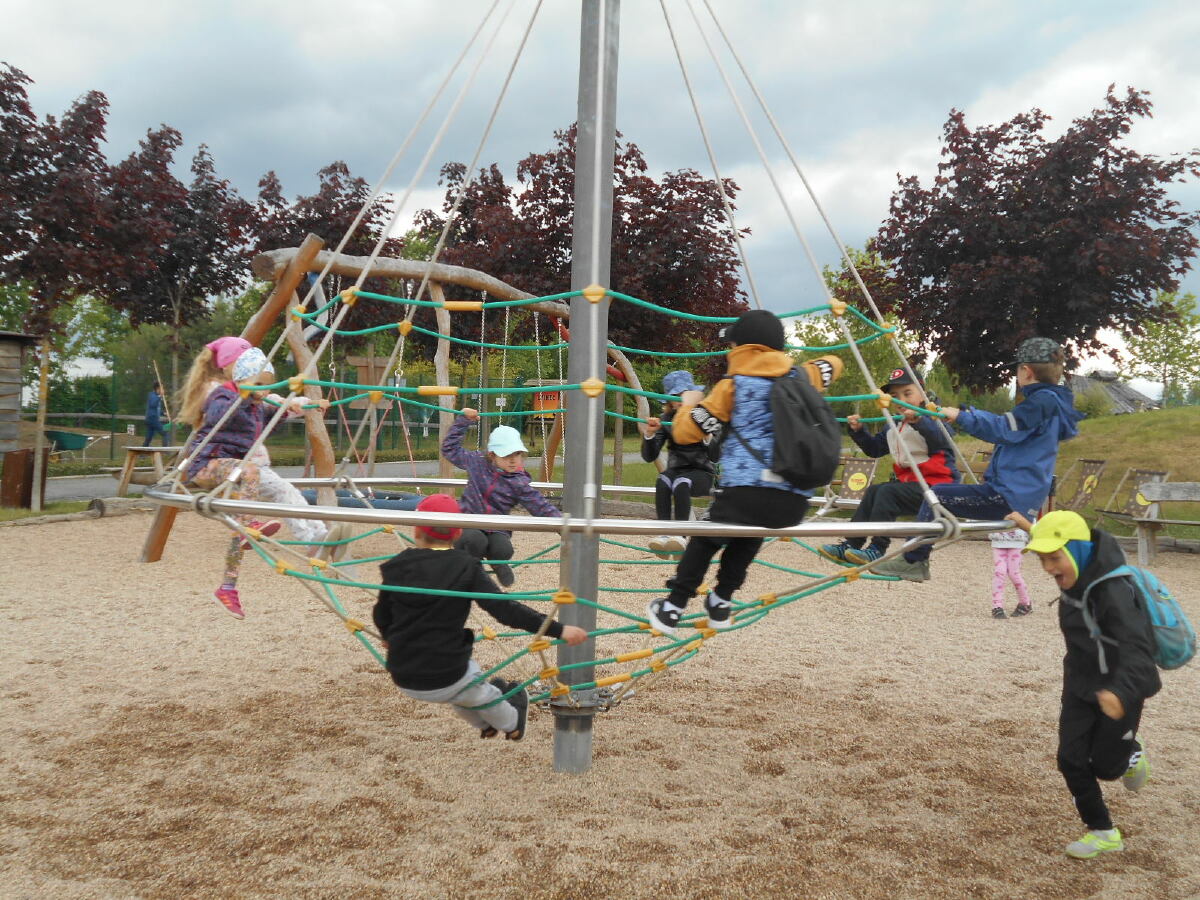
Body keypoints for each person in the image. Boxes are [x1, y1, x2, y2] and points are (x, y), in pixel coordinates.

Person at [646, 309, 843, 635]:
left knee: (705, 540)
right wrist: (806, 367)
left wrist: (689, 403)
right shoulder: (801, 376)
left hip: (745, 490)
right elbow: (833, 363)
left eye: (732, 345)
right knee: (749, 536)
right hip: (793, 500)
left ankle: (672, 608)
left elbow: (685, 433)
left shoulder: (733, 386)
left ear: (743, 347)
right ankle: (721, 602)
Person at [374, 493, 586, 741]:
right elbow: (506, 611)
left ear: (416, 530)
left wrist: (386, 636)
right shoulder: (465, 566)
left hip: (402, 675)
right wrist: (559, 630)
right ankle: (513, 724)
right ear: (458, 533)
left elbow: (381, 612)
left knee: (463, 694)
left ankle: (485, 725)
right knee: (477, 691)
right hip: (448, 675)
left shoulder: (397, 565)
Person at [874, 337, 1083, 582]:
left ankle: (913, 561)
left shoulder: (1041, 402)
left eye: (1017, 370)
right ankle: (914, 558)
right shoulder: (1051, 403)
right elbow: (1010, 431)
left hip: (1008, 495)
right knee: (940, 494)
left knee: (937, 496)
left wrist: (961, 416)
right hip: (1019, 494)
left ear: (1026, 371)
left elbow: (1001, 428)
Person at [1016, 509, 1159, 859]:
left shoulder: (1112, 591)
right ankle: (1103, 831)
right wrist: (1029, 527)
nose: (1048, 568)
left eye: (1054, 558)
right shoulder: (1075, 570)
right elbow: (1058, 538)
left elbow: (1139, 652)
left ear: (1077, 551)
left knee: (1107, 769)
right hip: (1080, 684)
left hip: (1120, 690)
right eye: (1042, 559)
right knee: (1070, 759)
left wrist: (1120, 692)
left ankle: (1131, 751)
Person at [180, 345, 283, 619]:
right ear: (241, 381)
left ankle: (228, 587)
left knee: (240, 521)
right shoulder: (224, 395)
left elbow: (269, 423)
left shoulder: (256, 407)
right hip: (206, 464)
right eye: (258, 385)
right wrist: (244, 396)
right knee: (251, 472)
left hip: (230, 469)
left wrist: (292, 408)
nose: (263, 391)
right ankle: (248, 526)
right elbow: (218, 415)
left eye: (266, 386)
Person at [818, 368, 958, 567]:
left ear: (922, 395)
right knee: (874, 490)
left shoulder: (933, 418)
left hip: (939, 488)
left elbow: (942, 439)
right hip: (912, 486)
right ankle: (851, 543)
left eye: (907, 393)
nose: (901, 400)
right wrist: (858, 431)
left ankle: (877, 548)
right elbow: (874, 449)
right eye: (895, 396)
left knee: (887, 492)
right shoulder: (893, 425)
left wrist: (918, 421)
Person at [441, 409, 561, 588]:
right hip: (469, 521)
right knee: (475, 541)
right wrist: (463, 420)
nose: (513, 460)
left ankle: (498, 564)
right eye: (506, 456)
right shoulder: (476, 462)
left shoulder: (518, 481)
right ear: (492, 455)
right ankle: (473, 570)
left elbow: (538, 504)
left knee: (503, 549)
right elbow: (449, 449)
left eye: (517, 454)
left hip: (497, 527)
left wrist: (560, 523)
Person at [641, 369, 719, 557]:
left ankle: (680, 537)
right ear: (668, 400)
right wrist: (649, 434)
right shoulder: (667, 420)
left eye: (684, 394)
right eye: (675, 396)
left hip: (702, 473)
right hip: (677, 470)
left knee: (681, 482)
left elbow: (716, 456)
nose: (680, 399)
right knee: (663, 480)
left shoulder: (703, 417)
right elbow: (649, 456)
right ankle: (664, 534)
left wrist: (707, 436)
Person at [988, 524, 1032, 619]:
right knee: (999, 572)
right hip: (998, 539)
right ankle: (997, 606)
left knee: (1014, 573)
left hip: (1017, 540)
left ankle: (1025, 603)